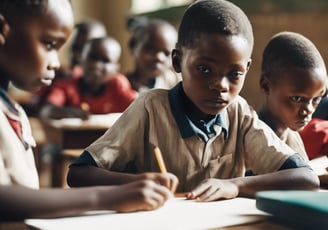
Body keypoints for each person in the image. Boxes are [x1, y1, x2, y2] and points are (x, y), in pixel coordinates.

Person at [67, 0, 319, 202]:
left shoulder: (238, 113)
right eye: (205, 69)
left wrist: (234, 186)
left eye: (234, 74)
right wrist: (135, 183)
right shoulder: (150, 108)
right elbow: (78, 173)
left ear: (247, 69)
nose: (221, 85)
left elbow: (306, 178)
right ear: (177, 61)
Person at [0, 0, 177, 221]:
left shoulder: (12, 109)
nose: (56, 63)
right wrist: (107, 197)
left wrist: (127, 183)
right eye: (49, 44)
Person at [256, 31, 328, 186]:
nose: (308, 109)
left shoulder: (292, 134)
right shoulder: (250, 134)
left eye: (316, 99)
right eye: (297, 99)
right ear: (266, 86)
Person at [39, 36, 137, 120]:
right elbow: (46, 111)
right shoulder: (68, 85)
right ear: (81, 59)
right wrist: (76, 114)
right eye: (92, 58)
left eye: (105, 61)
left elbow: (140, 107)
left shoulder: (117, 84)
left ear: (116, 68)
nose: (96, 65)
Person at [126, 17, 181, 93]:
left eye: (166, 53)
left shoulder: (176, 84)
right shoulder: (121, 86)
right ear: (133, 48)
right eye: (150, 50)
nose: (159, 57)